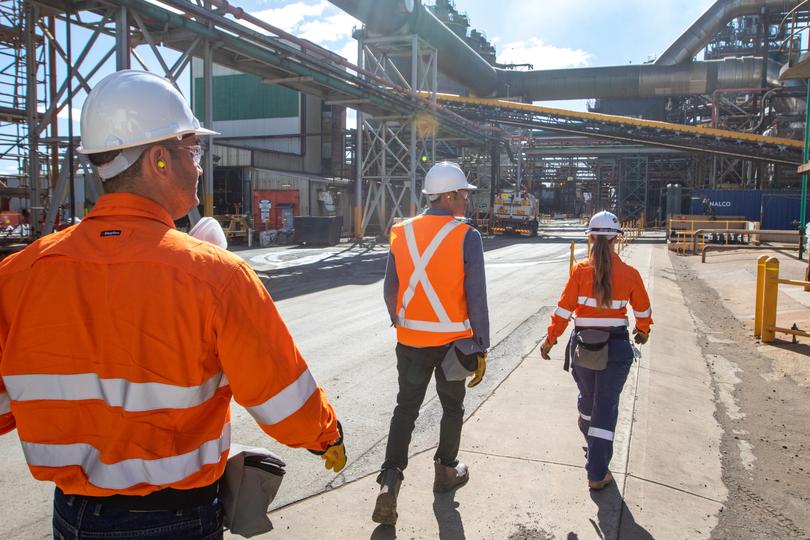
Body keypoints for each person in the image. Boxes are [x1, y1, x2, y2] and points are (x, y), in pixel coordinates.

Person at [0, 70, 345, 539]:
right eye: (192, 149)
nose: (200, 165)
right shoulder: (215, 275)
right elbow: (282, 400)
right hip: (172, 520)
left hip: (71, 516)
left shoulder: (19, 275)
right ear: (159, 160)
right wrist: (326, 435)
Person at [372, 161, 490, 526]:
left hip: (410, 342)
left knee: (405, 410)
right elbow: (476, 296)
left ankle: (390, 484)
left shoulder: (400, 232)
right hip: (455, 343)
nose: (467, 201)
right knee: (452, 409)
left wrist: (402, 321)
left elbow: (390, 287)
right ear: (450, 195)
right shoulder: (466, 236)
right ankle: (445, 472)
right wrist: (481, 344)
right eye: (464, 194)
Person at [539, 211, 652, 490]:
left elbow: (563, 312)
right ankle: (597, 472)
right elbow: (644, 312)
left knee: (589, 404)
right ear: (615, 239)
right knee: (605, 408)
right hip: (615, 349)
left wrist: (550, 340)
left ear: (589, 237)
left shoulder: (580, 272)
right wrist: (643, 331)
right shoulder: (630, 274)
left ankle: (594, 450)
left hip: (584, 348)